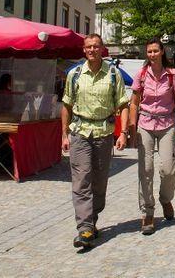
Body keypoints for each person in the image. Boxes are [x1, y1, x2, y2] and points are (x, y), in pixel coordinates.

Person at [61, 34, 128, 249]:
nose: (92, 50)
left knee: (99, 182)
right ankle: (84, 228)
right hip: (79, 132)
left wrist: (124, 133)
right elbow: (67, 105)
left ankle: (93, 219)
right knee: (81, 180)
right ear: (84, 50)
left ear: (102, 49)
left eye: (96, 46)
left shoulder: (113, 74)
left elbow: (123, 105)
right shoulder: (75, 74)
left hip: (103, 133)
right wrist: (64, 135)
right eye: (89, 47)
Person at [128, 38, 175, 236]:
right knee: (146, 169)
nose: (152, 54)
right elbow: (134, 103)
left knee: (168, 169)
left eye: (155, 51)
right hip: (145, 124)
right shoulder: (141, 75)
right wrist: (132, 127)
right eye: (149, 51)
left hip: (167, 124)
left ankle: (165, 198)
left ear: (162, 52)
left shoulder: (172, 75)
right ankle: (148, 213)